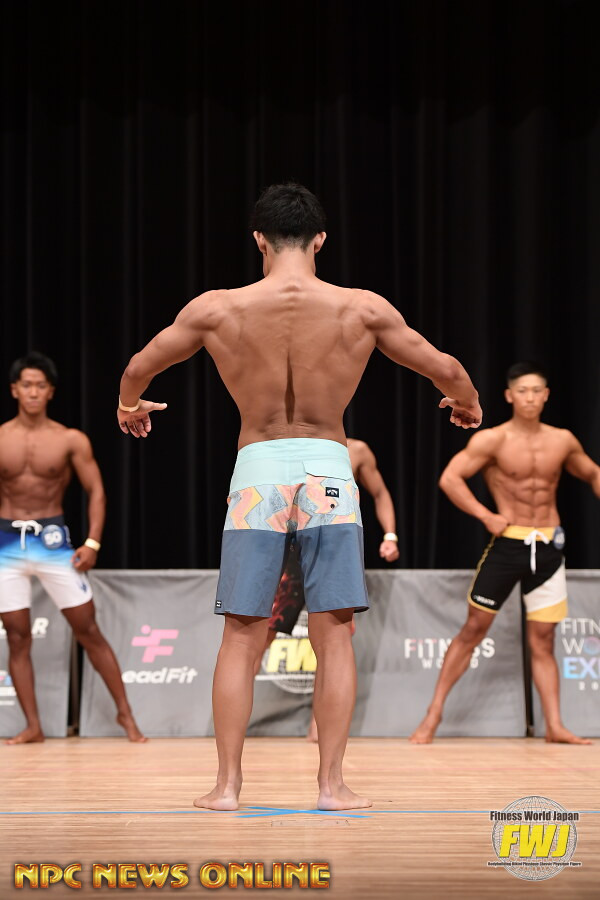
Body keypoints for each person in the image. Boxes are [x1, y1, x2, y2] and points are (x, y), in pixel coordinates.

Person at [117, 182, 481, 810]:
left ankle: (227, 787)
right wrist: (467, 403)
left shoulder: (218, 309)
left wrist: (129, 407)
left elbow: (138, 366)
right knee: (334, 635)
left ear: (258, 239)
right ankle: (331, 786)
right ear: (320, 240)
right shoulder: (360, 308)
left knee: (241, 635)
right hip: (327, 471)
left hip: (257, 471)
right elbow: (445, 368)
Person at [410, 361, 597, 746]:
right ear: (510, 396)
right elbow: (450, 478)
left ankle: (554, 726)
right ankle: (432, 716)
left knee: (543, 639)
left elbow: (592, 473)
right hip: (509, 543)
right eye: (522, 391)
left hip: (549, 547)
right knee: (473, 630)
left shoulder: (562, 440)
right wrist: (485, 515)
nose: (530, 398)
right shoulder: (493, 440)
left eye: (536, 391)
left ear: (546, 396)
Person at [0, 352, 145, 744]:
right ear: (15, 390)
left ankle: (126, 715)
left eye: (40, 385)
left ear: (50, 392)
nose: (33, 392)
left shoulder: (69, 439)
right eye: (26, 385)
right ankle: (34, 726)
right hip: (7, 542)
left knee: (88, 628)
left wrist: (93, 541)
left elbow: (96, 490)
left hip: (52, 541)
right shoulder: (1, 437)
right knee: (16, 635)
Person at [264, 438, 399, 741]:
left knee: (336, 637)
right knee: (262, 633)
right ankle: (236, 720)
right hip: (289, 546)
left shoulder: (357, 450)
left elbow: (380, 493)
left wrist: (390, 535)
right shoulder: (288, 442)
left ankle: (319, 725)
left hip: (332, 546)